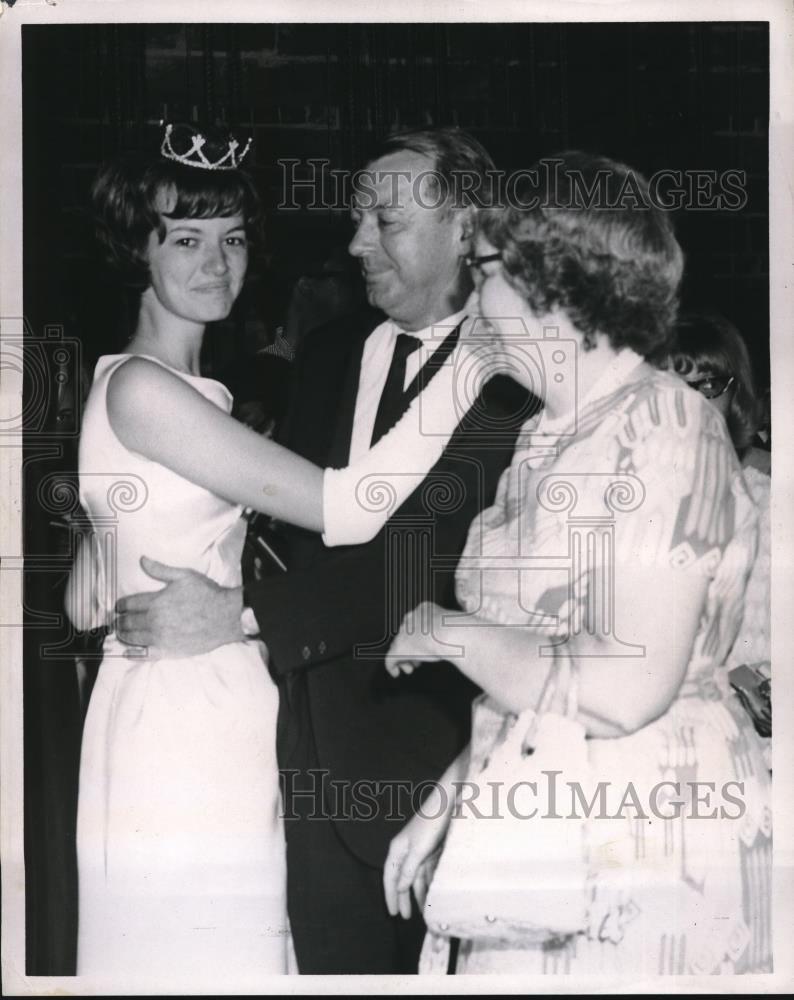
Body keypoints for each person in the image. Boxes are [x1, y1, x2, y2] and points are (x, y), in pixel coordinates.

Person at [66, 123, 493, 980]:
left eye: (232, 240)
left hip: (212, 703)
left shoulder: (168, 390)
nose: (217, 264)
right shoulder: (148, 389)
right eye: (185, 239)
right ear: (135, 252)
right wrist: (474, 359)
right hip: (194, 709)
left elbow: (84, 601)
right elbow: (346, 506)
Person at [384, 152, 772, 975]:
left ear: (551, 280)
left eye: (483, 272)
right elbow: (549, 657)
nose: (471, 301)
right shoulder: (546, 435)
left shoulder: (664, 426)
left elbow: (623, 685)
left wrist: (449, 633)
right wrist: (451, 796)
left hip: (642, 836)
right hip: (539, 819)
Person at [658, 313, 771, 748]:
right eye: (672, 390)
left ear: (735, 395)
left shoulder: (772, 505)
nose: (691, 406)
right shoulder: (630, 507)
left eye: (708, 386)